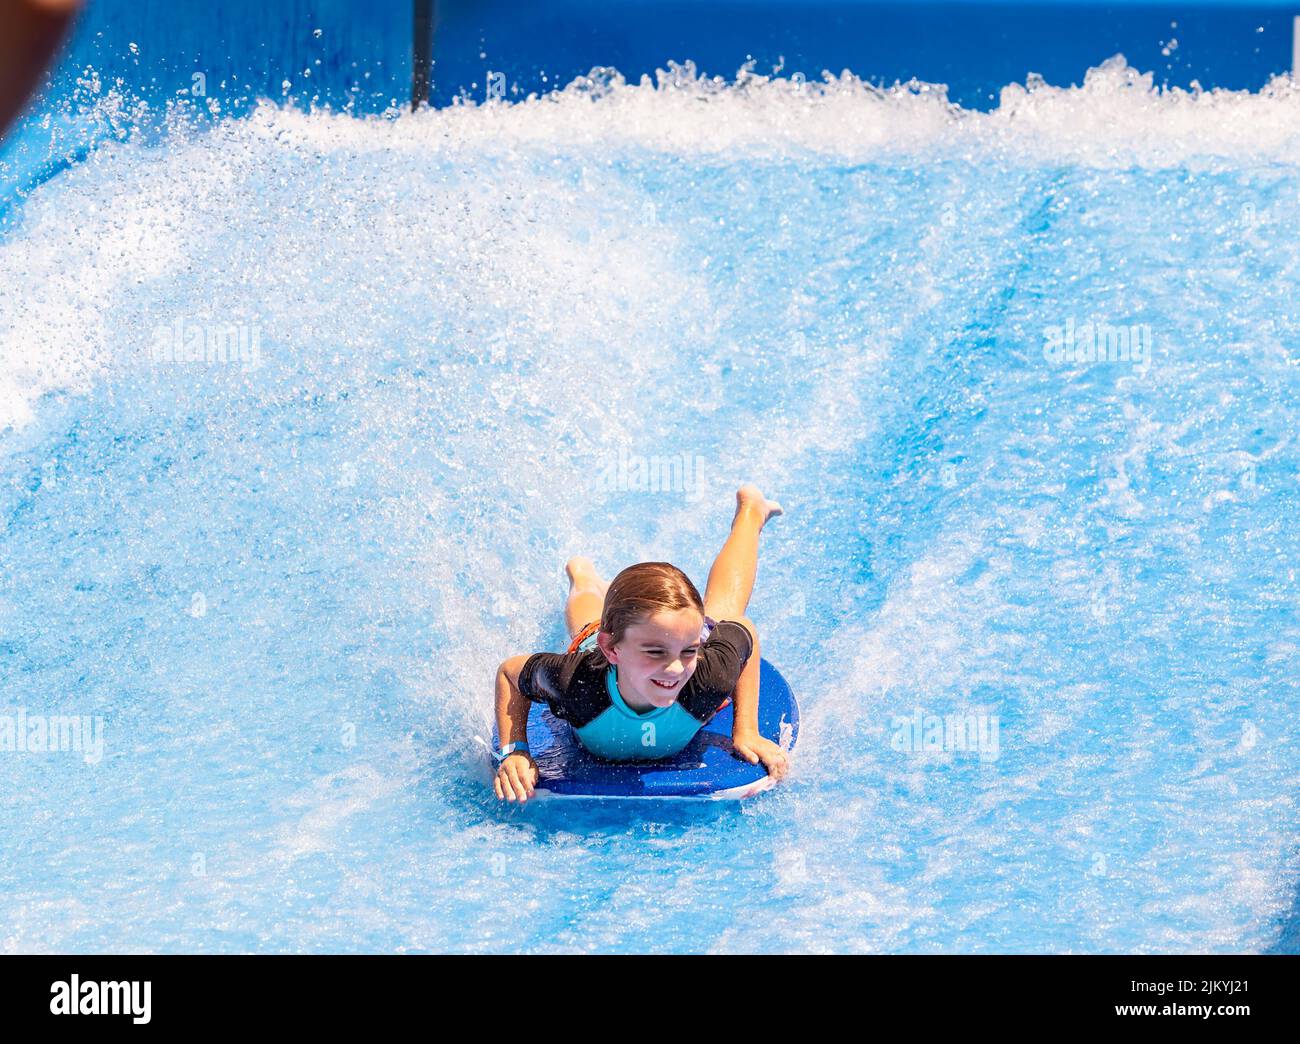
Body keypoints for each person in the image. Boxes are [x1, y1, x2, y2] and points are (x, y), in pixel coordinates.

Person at [493, 483, 789, 802]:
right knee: (589, 624)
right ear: (612, 649)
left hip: (665, 634)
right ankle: (583, 577)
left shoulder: (707, 676)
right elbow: (512, 673)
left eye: (687, 653)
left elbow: (743, 627)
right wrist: (516, 750)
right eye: (656, 653)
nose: (675, 668)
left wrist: (746, 729)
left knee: (725, 610)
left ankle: (751, 511)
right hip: (599, 646)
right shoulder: (577, 683)